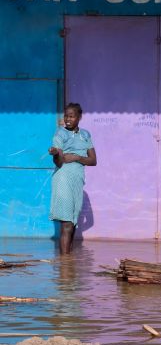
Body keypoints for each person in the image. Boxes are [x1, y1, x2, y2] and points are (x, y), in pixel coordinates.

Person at [48, 103, 97, 255]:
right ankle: (65, 267)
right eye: (66, 116)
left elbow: (93, 161)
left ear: (79, 117)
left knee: (74, 222)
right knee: (67, 223)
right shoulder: (59, 134)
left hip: (77, 179)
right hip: (63, 178)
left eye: (71, 116)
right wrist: (57, 154)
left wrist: (76, 157)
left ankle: (68, 265)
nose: (68, 119)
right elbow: (59, 162)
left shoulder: (85, 135)